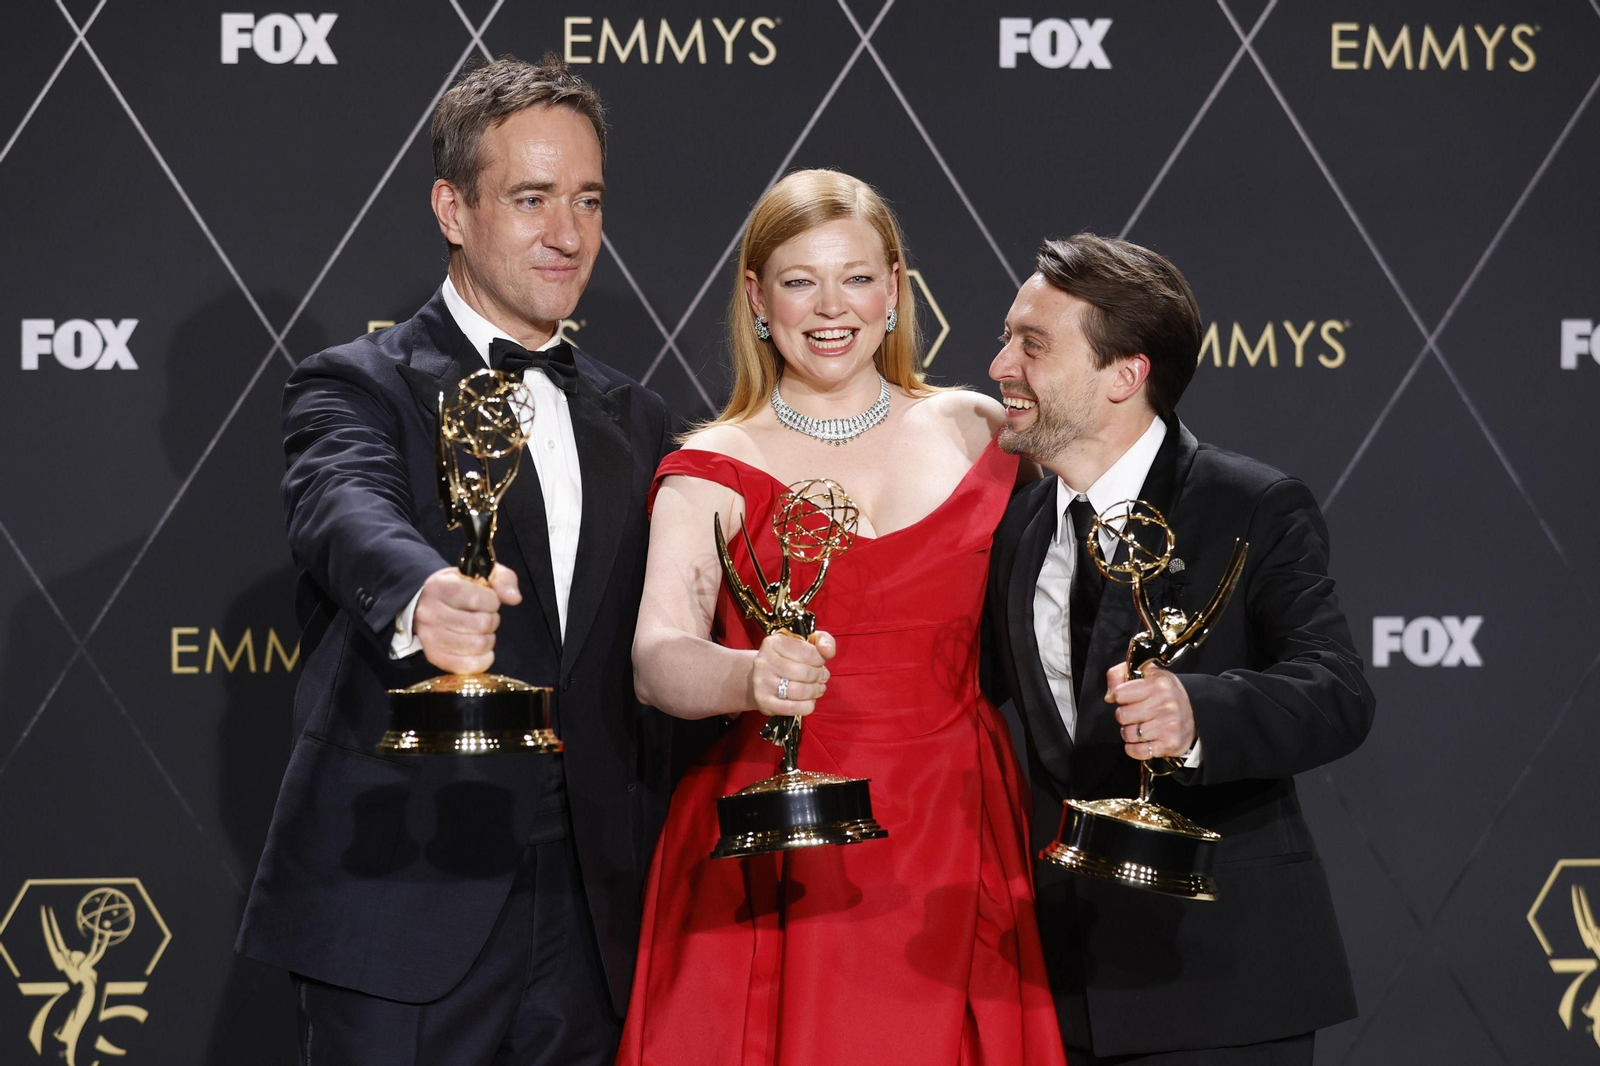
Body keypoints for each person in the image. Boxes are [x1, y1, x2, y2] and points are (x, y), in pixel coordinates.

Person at [236, 56, 675, 1065]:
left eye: (586, 200)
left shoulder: (638, 415)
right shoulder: (358, 383)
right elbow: (340, 503)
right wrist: (421, 589)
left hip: (596, 913)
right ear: (453, 207)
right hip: (403, 894)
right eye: (530, 199)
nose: (566, 235)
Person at [617, 169, 1067, 1065]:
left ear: (895, 290)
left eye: (857, 278)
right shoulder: (712, 463)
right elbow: (657, 654)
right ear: (756, 298)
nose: (832, 308)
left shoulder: (984, 430)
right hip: (777, 835)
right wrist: (751, 676)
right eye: (798, 280)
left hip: (954, 823)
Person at [986, 233, 1375, 1065]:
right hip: (1055, 985)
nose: (999, 366)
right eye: (1007, 337)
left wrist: (1197, 711)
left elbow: (1337, 691)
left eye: (1032, 343)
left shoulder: (1252, 504)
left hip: (1221, 979)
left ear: (1125, 373)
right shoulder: (1020, 526)